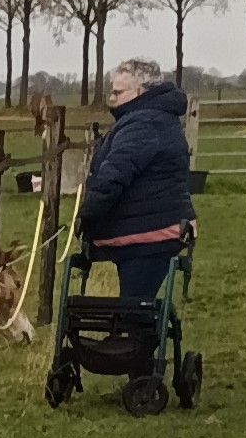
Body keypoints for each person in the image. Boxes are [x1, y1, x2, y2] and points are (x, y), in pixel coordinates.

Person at [78, 57, 195, 405]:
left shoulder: (143, 124)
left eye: (118, 92)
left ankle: (139, 367)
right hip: (141, 229)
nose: (112, 99)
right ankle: (131, 356)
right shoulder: (152, 120)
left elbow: (114, 176)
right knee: (135, 304)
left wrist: (86, 217)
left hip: (148, 233)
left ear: (142, 90)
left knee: (137, 306)